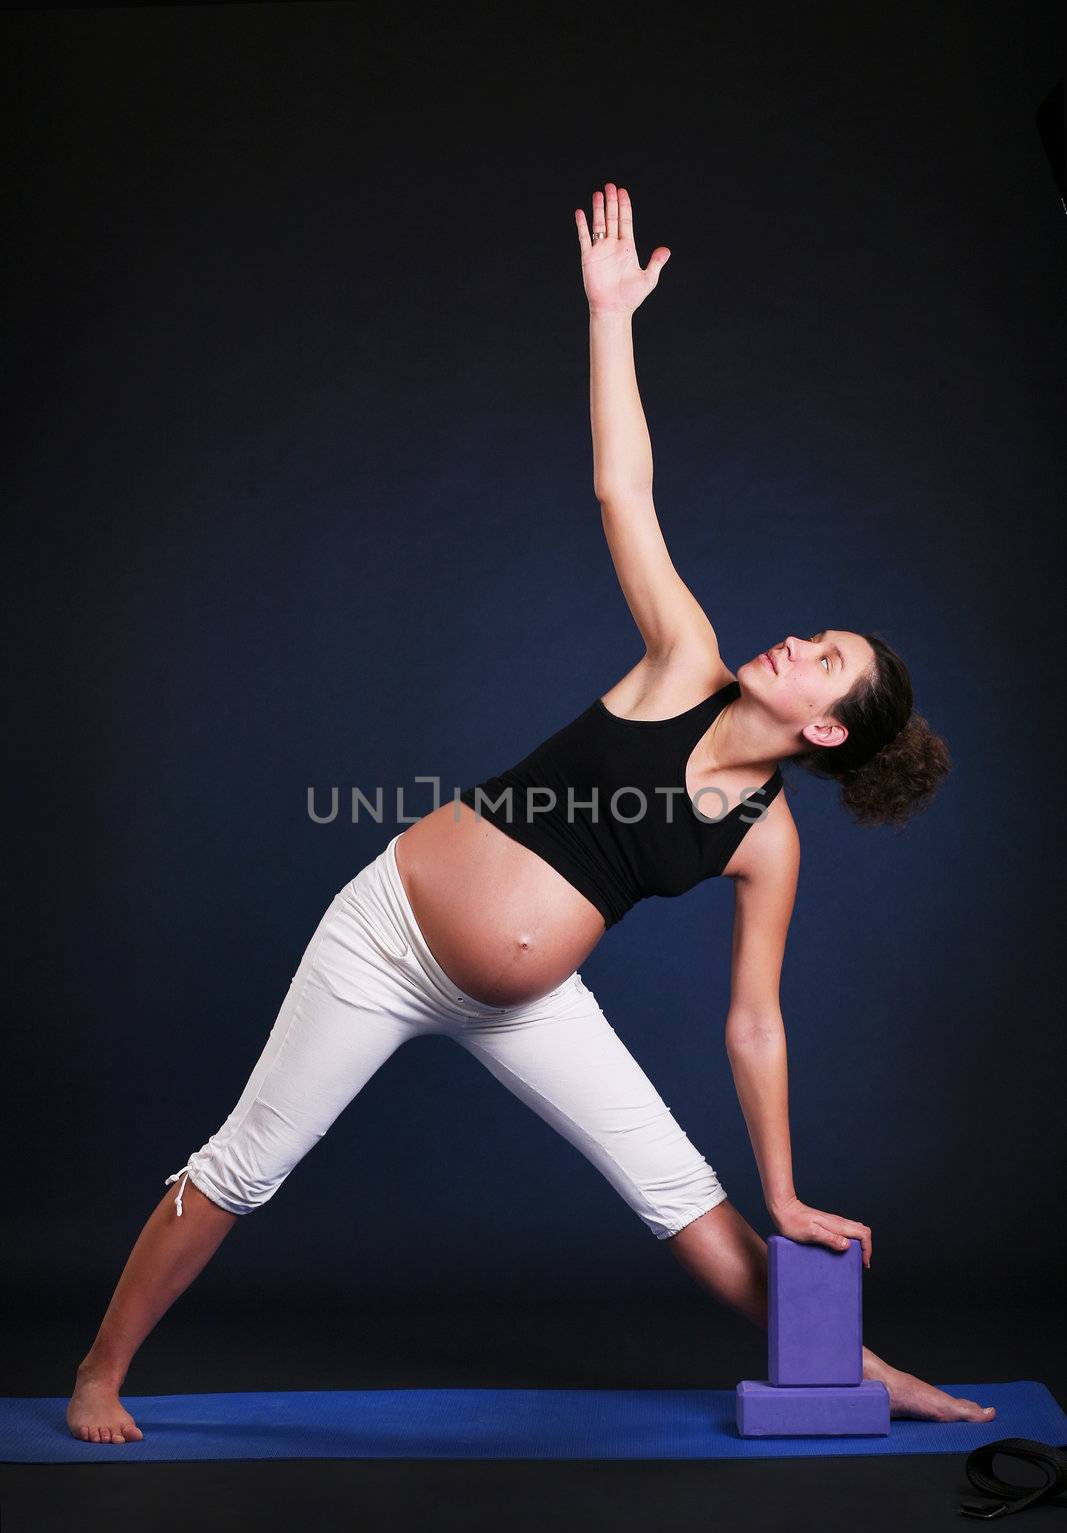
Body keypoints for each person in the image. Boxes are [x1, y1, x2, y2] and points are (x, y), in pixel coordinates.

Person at [67, 181, 995, 1443]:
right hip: (385, 937)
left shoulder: (764, 841)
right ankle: (99, 1377)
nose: (796, 643)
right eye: (815, 635)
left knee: (685, 1197)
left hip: (526, 1001)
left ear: (826, 732)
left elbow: (754, 1023)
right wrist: (610, 316)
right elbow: (625, 492)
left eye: (822, 659)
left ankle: (865, 1370)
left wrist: (784, 1187)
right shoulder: (685, 659)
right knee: (243, 1166)